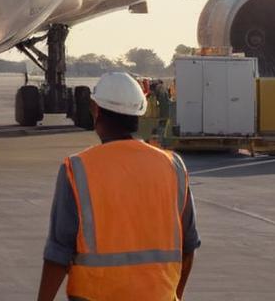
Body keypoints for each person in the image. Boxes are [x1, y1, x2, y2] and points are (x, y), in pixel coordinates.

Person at [38, 72, 200, 301]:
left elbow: (58, 253)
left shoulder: (78, 169)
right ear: (139, 113)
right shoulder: (173, 166)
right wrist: (176, 295)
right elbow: (188, 245)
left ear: (96, 110)